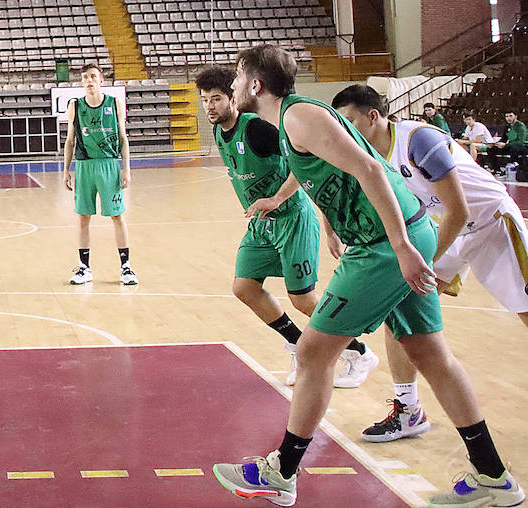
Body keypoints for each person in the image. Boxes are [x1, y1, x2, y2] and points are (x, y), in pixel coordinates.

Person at [213, 46, 521, 508]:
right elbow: (321, 173)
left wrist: (401, 247)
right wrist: (320, 217)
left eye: (237, 77)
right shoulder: (289, 125)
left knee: (314, 350)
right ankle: (495, 477)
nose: (233, 85)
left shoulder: (298, 117)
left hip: (382, 246)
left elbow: (371, 167)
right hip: (389, 236)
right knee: (430, 353)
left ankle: (283, 473)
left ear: (256, 85)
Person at [333, 85, 528, 445]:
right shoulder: (365, 157)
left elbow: (460, 211)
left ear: (373, 117)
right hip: (445, 230)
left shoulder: (418, 140)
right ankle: (409, 410)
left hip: (490, 224)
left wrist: (419, 262)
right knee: (399, 303)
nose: (344, 131)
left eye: (349, 121)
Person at [194, 68, 376, 388]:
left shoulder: (257, 130)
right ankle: (295, 342)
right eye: (204, 100)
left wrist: (282, 200)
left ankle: (358, 352)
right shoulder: (221, 133)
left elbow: (304, 162)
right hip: (263, 224)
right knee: (245, 288)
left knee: (303, 299)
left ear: (233, 99)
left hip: (292, 216)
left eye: (217, 99)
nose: (209, 106)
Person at [62, 63, 136, 286]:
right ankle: (84, 268)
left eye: (93, 76)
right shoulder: (75, 106)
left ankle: (126, 267)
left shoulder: (114, 104)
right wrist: (66, 170)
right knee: (83, 217)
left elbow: (123, 138)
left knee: (117, 216)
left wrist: (127, 168)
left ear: (101, 80)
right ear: (82, 82)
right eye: (85, 77)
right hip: (84, 166)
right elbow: (70, 140)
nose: (89, 80)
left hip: (110, 165)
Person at [484, 110, 526, 175]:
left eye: (510, 116)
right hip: (509, 146)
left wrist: (505, 145)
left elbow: (520, 142)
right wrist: (496, 144)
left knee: (514, 148)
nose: (508, 118)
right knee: (490, 149)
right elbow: (503, 139)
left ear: (516, 116)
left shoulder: (520, 126)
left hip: (521, 147)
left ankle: (511, 169)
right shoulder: (507, 126)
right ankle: (496, 169)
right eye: (506, 116)